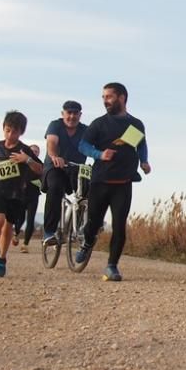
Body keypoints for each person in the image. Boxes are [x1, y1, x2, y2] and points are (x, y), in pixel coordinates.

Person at [76, 83, 151, 282]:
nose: (105, 101)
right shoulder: (99, 124)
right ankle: (87, 241)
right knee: (93, 222)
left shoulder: (136, 124)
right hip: (100, 181)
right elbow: (83, 145)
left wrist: (144, 161)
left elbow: (140, 145)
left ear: (122, 97)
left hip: (123, 182)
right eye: (103, 97)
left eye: (109, 96)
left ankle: (112, 266)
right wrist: (99, 154)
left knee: (119, 226)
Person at [0, 111, 43, 277]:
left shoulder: (25, 150)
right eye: (7, 130)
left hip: (17, 194)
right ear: (3, 128)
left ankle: (2, 258)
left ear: (21, 132)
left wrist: (26, 160)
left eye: (15, 131)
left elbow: (41, 169)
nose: (10, 134)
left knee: (8, 227)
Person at [41, 101, 89, 246]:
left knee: (90, 191)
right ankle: (49, 232)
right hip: (55, 167)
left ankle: (83, 227)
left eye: (75, 113)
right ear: (63, 114)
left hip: (77, 169)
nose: (72, 116)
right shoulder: (55, 125)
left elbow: (96, 146)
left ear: (80, 115)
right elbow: (52, 143)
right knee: (55, 188)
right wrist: (55, 156)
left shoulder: (86, 130)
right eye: (69, 113)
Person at [12, 144, 43, 252]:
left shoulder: (39, 164)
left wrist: (41, 183)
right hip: (21, 194)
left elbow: (43, 179)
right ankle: (15, 233)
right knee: (20, 218)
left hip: (34, 195)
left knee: (31, 220)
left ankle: (25, 244)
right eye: (32, 150)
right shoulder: (22, 162)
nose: (34, 152)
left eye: (37, 151)